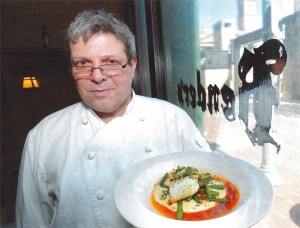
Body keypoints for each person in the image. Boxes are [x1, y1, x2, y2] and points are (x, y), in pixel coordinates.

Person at [16, 9, 210, 227]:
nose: (97, 76)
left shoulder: (172, 119)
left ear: (133, 65)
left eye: (111, 62)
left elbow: (207, 194)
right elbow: (31, 220)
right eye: (82, 63)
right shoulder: (43, 136)